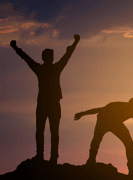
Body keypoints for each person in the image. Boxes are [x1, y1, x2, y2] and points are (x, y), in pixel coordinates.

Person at [10, 35, 80, 164]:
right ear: (47, 58)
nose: (50, 59)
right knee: (47, 131)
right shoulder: (50, 69)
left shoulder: (43, 69)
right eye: (49, 56)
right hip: (47, 104)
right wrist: (75, 43)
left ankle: (47, 157)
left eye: (50, 56)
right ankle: (46, 157)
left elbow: (27, 58)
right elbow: (67, 56)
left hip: (48, 104)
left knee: (47, 131)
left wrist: (15, 48)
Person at [74, 97, 133, 175]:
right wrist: (82, 114)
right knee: (97, 140)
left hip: (114, 122)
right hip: (103, 120)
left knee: (128, 143)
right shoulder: (117, 105)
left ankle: (132, 169)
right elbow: (99, 110)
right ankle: (91, 162)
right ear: (132, 105)